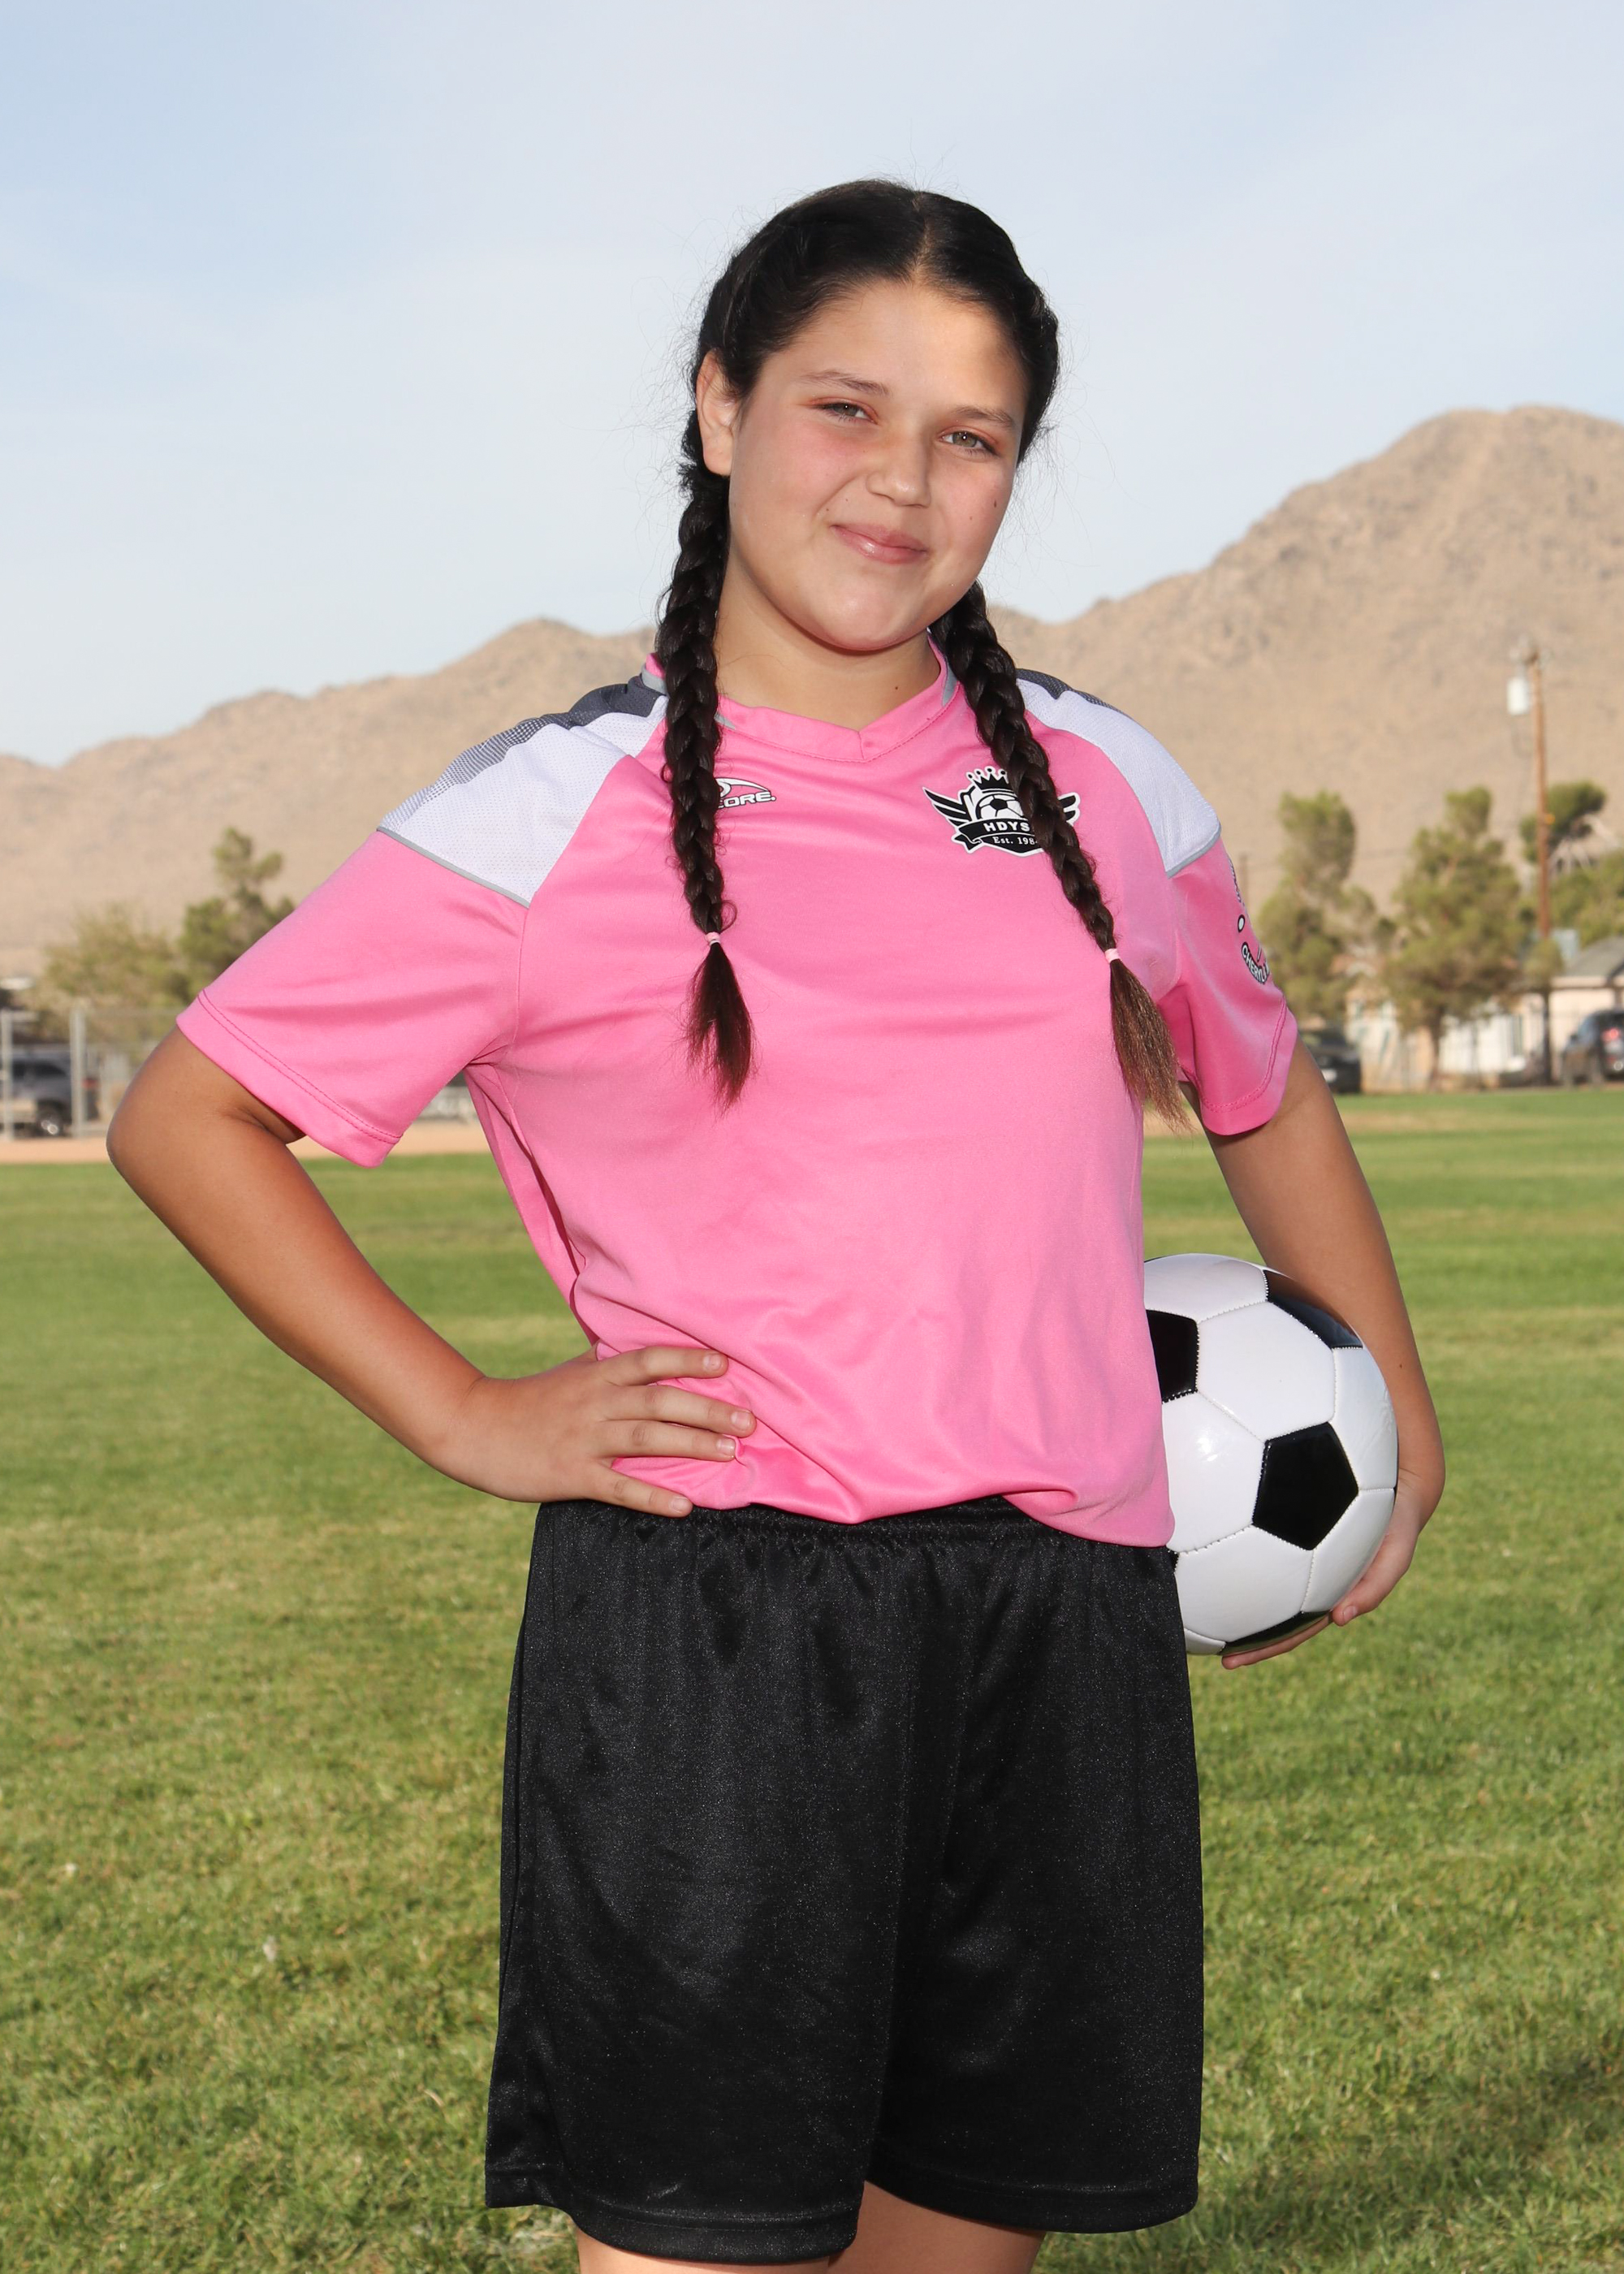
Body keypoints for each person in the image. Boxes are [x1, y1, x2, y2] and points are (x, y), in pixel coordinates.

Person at [109, 179, 1445, 2274]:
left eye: (971, 436)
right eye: (846, 409)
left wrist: (1393, 1416)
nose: (902, 483)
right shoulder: (555, 809)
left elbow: (1259, 1082)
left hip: (1067, 1623)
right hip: (726, 1637)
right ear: (721, 408)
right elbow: (190, 1115)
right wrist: (464, 1412)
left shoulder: (1103, 784)